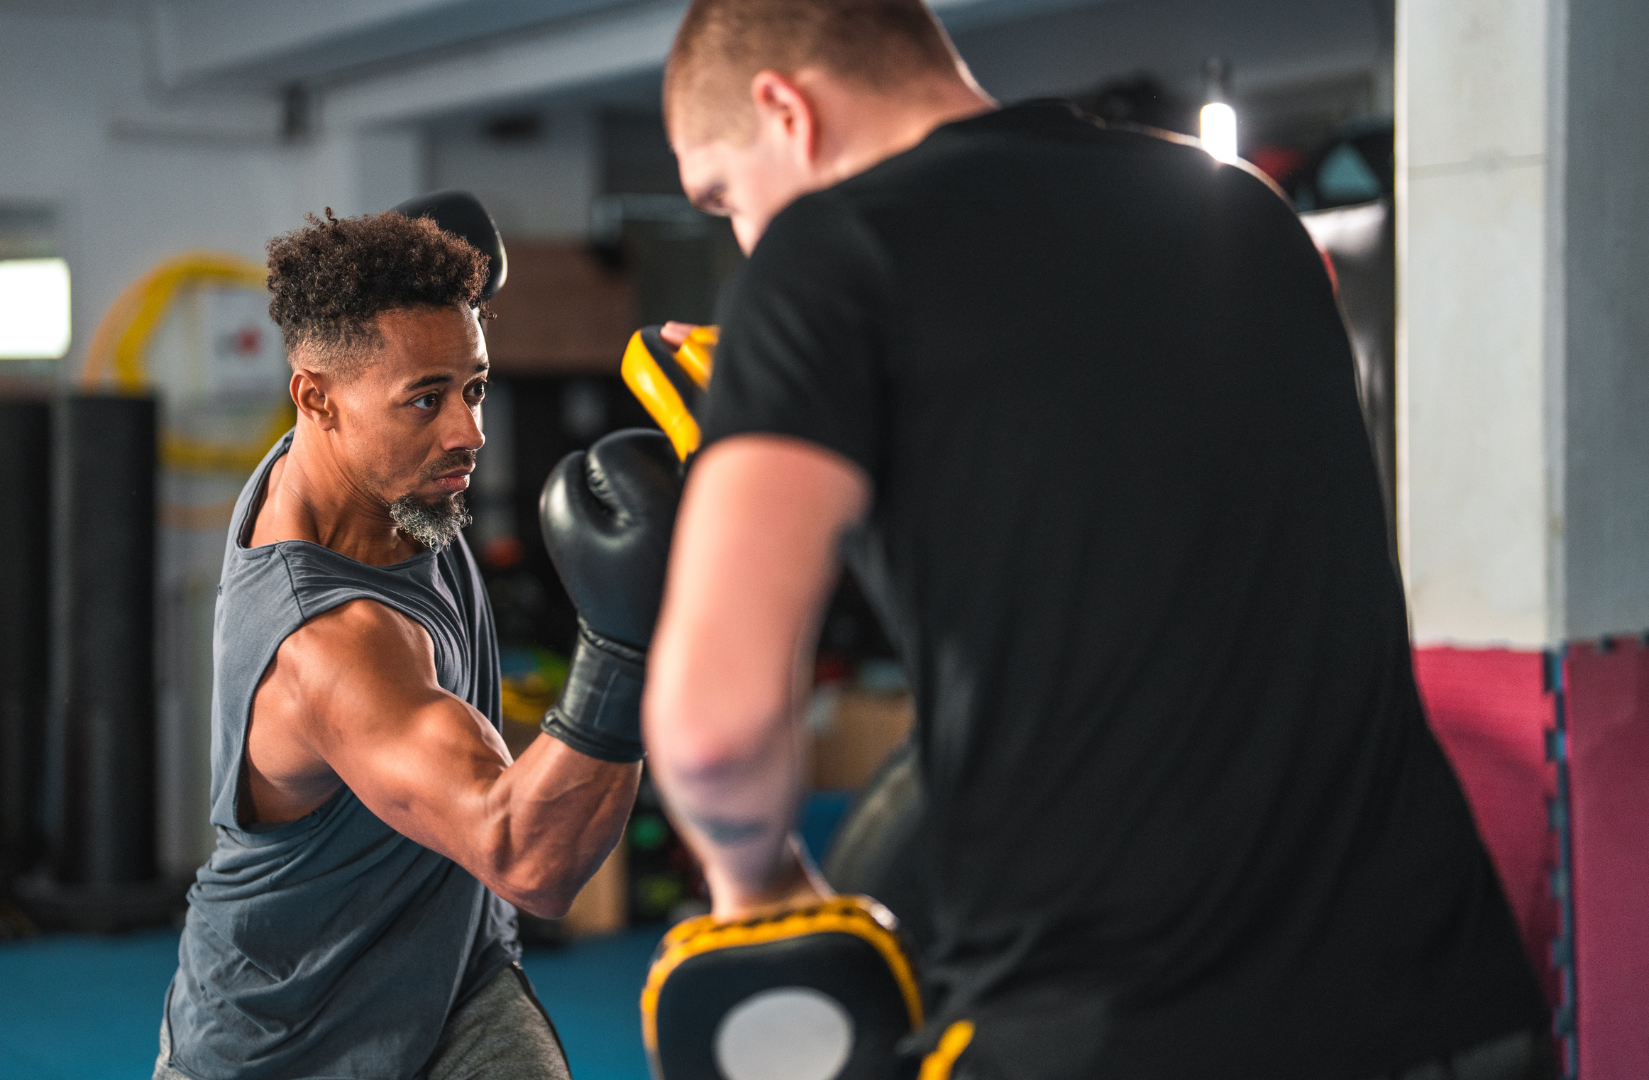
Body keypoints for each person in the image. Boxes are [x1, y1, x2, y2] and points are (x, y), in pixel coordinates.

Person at [641, 2, 1551, 1078]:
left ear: (784, 110)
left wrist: (761, 889)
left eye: (724, 198)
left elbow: (715, 735)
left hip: (1120, 1029)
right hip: (1449, 1005)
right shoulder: (1244, 211)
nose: (743, 234)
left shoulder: (823, 255)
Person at [156, 208, 676, 1080]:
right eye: (427, 400)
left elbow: (396, 337)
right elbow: (529, 860)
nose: (468, 432)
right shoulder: (329, 648)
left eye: (474, 387)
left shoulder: (379, 461)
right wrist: (625, 644)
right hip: (289, 1043)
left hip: (455, 983)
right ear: (313, 396)